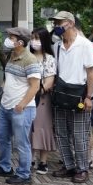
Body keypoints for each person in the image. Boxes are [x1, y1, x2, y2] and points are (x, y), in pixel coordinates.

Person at [50, 11, 93, 184]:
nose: (56, 25)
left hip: (80, 96)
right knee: (61, 133)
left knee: (79, 134)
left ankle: (82, 168)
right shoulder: (57, 46)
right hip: (61, 94)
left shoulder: (85, 44)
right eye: (55, 22)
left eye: (58, 22)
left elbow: (91, 73)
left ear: (69, 23)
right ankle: (68, 166)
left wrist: (89, 97)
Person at [0, 27, 40, 185]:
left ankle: (24, 174)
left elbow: (35, 86)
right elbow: (10, 78)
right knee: (1, 137)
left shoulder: (30, 60)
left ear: (20, 42)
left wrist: (22, 105)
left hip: (22, 109)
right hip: (5, 106)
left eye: (11, 37)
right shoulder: (12, 55)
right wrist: (2, 89)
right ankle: (5, 167)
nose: (8, 39)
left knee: (21, 142)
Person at [29, 27, 56, 175]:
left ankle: (43, 161)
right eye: (32, 38)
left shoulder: (49, 59)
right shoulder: (27, 56)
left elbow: (49, 82)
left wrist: (36, 91)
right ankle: (30, 158)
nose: (34, 41)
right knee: (29, 128)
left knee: (43, 128)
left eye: (37, 38)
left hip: (42, 99)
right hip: (27, 99)